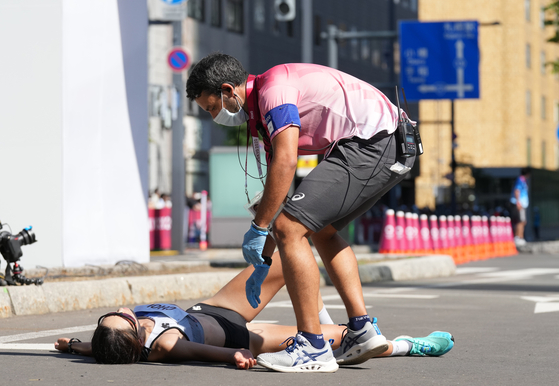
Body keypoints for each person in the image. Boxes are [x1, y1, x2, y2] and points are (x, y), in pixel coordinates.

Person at [186, 53, 418, 372]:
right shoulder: (260, 113)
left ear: (228, 90)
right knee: (316, 227)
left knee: (291, 227)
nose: (215, 116)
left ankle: (312, 346)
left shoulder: (273, 91)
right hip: (385, 142)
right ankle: (361, 331)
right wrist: (262, 263)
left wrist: (259, 228)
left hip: (374, 142)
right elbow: (277, 191)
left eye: (212, 107)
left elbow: (286, 163)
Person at [54, 251, 454, 369]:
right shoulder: (166, 344)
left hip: (214, 308)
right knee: (347, 344)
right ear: (135, 336)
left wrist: (75, 345)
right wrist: (237, 356)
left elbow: (103, 349)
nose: (124, 308)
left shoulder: (112, 342)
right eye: (123, 316)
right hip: (238, 337)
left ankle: (322, 318)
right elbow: (199, 352)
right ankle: (407, 345)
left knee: (289, 256)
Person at [510, 167, 530, 245]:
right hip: (520, 203)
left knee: (523, 221)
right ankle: (518, 237)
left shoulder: (524, 180)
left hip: (523, 203)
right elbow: (517, 190)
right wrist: (518, 202)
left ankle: (521, 237)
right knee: (521, 221)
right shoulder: (520, 179)